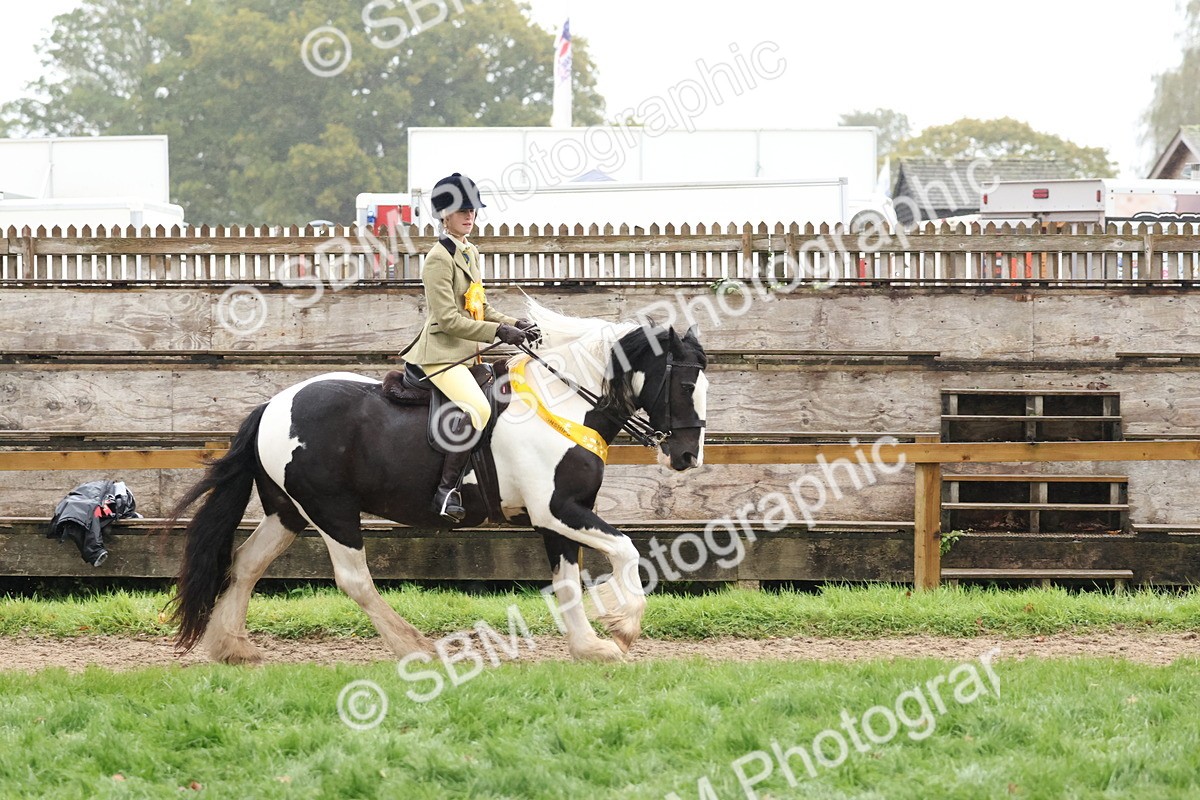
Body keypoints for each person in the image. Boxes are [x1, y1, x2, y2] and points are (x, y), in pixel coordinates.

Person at [400, 172, 538, 522]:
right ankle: (447, 491)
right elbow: (448, 319)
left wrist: (514, 323)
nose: (470, 215)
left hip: (467, 354)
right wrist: (498, 331)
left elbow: (479, 306)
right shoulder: (437, 258)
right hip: (441, 355)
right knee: (478, 407)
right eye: (463, 210)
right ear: (444, 214)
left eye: (473, 209)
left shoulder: (469, 252)